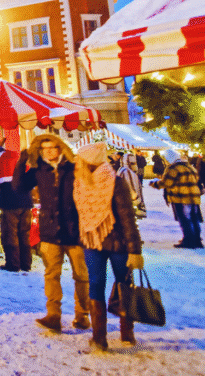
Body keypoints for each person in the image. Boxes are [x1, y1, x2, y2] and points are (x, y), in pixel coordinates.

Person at [13, 133, 90, 332]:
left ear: (60, 148)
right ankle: (53, 314)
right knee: (51, 274)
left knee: (81, 275)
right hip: (50, 231)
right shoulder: (40, 170)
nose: (49, 152)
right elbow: (19, 187)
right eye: (44, 148)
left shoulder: (74, 167)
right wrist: (21, 164)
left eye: (52, 147)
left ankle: (82, 315)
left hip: (75, 231)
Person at [73, 143, 144, 351]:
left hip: (118, 242)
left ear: (89, 161)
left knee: (123, 283)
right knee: (95, 283)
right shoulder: (80, 183)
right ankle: (99, 336)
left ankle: (126, 329)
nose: (78, 163)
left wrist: (134, 249)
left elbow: (127, 218)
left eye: (81, 159)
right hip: (91, 240)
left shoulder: (116, 182)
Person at [0, 144, 32, 272]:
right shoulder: (19, 159)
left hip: (10, 203)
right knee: (24, 233)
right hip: (26, 202)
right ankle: (26, 264)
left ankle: (13, 264)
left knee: (10, 234)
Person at [149, 149, 203, 248]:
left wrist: (154, 183)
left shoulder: (173, 168)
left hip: (181, 197)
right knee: (194, 219)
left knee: (184, 219)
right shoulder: (189, 167)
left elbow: (167, 182)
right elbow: (196, 179)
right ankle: (197, 240)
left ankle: (188, 241)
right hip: (194, 197)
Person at [117, 153, 146, 219]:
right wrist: (137, 201)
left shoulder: (122, 170)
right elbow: (131, 187)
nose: (135, 165)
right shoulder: (128, 172)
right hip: (130, 204)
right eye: (133, 163)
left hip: (124, 203)